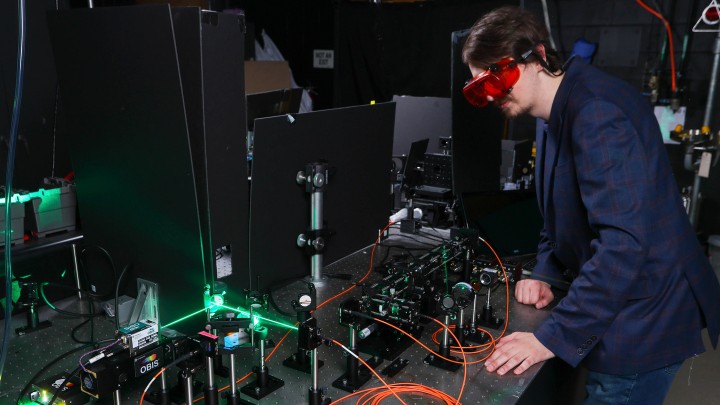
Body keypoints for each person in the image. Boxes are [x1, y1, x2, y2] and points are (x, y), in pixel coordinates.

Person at [461, 5, 720, 404]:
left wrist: (549, 338)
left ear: (539, 58)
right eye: (480, 88)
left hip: (644, 318)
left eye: (499, 77)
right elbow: (556, 214)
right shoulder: (552, 113)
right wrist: (544, 271)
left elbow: (623, 246)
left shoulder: (596, 112)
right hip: (617, 301)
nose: (493, 94)